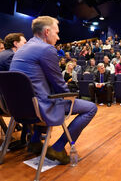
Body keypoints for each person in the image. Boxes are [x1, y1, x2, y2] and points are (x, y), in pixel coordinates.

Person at [10, 16, 97, 164]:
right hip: (40, 108)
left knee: (49, 96)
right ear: (47, 32)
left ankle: (35, 141)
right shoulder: (46, 49)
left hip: (19, 108)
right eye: (56, 33)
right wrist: (71, 96)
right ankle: (57, 148)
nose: (58, 37)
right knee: (91, 108)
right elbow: (59, 84)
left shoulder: (22, 49)